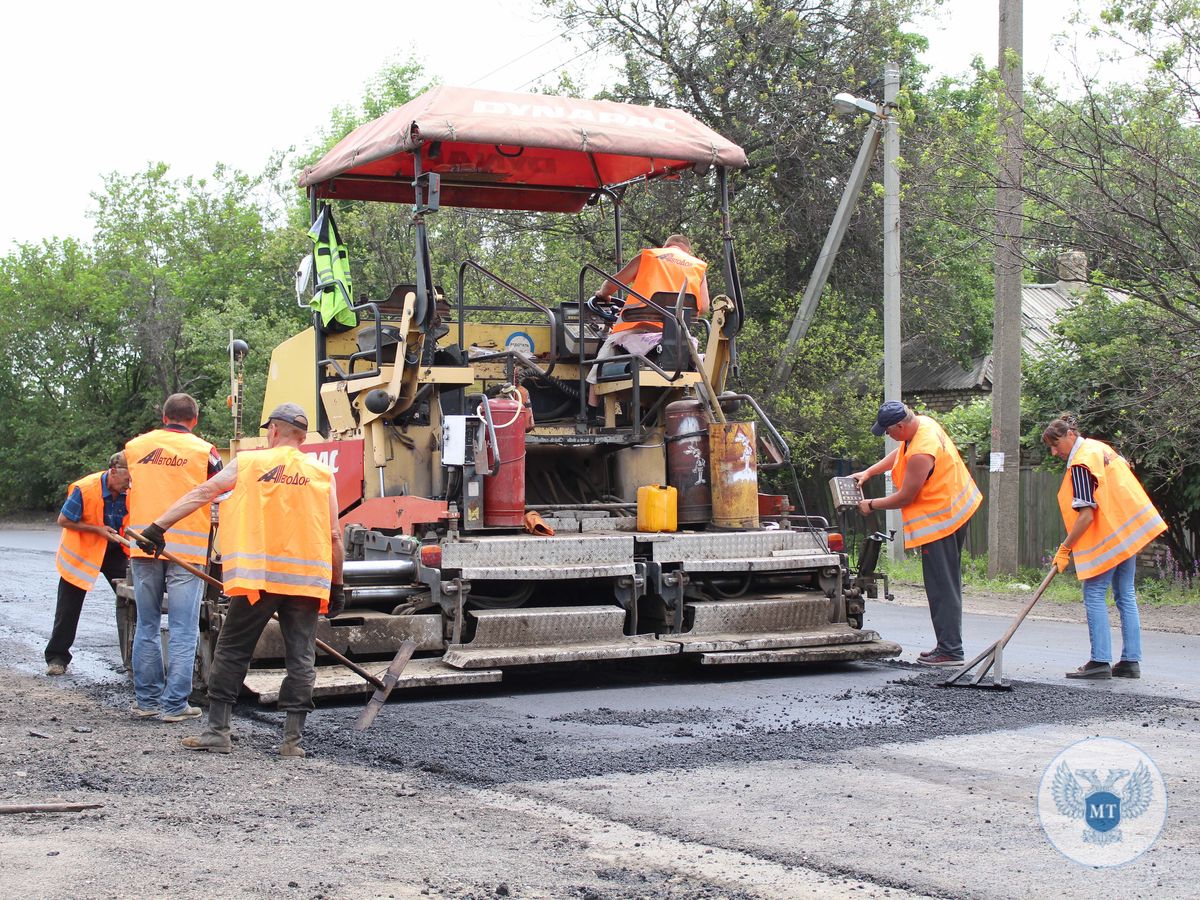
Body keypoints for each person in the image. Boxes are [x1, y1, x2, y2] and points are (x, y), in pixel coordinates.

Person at [138, 403, 344, 758]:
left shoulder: (250, 463)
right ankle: (292, 743)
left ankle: (218, 732)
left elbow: (203, 493)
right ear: (302, 437)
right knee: (301, 658)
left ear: (274, 431)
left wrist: (158, 527)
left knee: (233, 651)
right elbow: (336, 535)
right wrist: (338, 586)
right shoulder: (322, 473)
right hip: (306, 584)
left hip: (258, 580)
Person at [851, 401, 983, 666]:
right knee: (947, 582)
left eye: (888, 431)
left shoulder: (922, 451)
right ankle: (948, 646)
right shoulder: (922, 424)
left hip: (941, 520)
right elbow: (901, 455)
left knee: (941, 586)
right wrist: (869, 471)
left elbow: (905, 497)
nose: (888, 436)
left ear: (900, 425)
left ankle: (950, 651)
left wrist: (871, 504)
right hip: (957, 508)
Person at [1042, 414, 1166, 680]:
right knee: (1126, 594)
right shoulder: (1101, 449)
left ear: (1070, 436)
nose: (1054, 452)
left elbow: (1086, 514)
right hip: (1127, 532)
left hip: (1108, 535)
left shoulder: (1081, 462)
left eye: (1055, 445)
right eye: (1050, 447)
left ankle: (1099, 661)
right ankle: (1130, 662)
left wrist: (1065, 547)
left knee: (1095, 592)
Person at [125, 393, 223, 722]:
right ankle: (174, 706)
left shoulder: (135, 447)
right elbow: (219, 492)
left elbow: (129, 485)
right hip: (187, 550)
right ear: (194, 420)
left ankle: (147, 701)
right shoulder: (204, 451)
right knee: (183, 628)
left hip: (143, 546)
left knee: (147, 625)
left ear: (165, 415)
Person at [586, 235, 710, 408]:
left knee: (599, 365)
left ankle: (591, 412)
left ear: (665, 246)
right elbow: (703, 307)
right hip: (676, 336)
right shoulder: (698, 266)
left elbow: (611, 285)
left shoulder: (650, 256)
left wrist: (603, 294)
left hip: (637, 329)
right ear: (687, 251)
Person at [45, 452, 131, 676]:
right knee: (68, 607)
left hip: (113, 551)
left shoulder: (128, 492)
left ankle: (133, 660)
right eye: (126, 479)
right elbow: (63, 520)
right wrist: (97, 530)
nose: (129, 485)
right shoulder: (85, 488)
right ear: (113, 471)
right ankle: (57, 657)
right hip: (83, 550)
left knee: (133, 600)